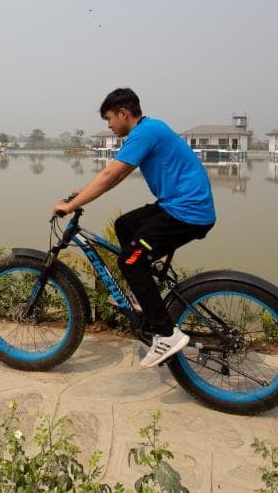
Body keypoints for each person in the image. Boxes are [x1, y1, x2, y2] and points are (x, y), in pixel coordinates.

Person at [53, 87, 215, 368]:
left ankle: (166, 334)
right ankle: (143, 293)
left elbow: (108, 175)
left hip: (186, 213)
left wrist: (70, 206)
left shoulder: (144, 133)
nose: (109, 125)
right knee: (124, 224)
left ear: (123, 113)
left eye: (109, 119)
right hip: (178, 206)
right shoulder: (149, 129)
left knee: (129, 262)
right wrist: (82, 194)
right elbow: (116, 175)